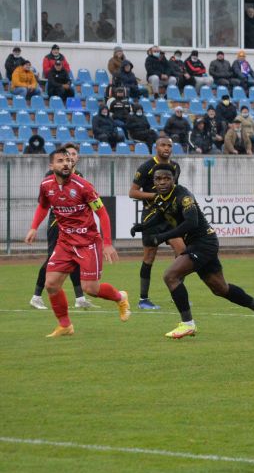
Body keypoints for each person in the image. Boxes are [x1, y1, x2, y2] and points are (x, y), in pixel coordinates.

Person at [133, 165, 254, 339]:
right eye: (158, 179)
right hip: (197, 244)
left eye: (166, 178)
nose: (162, 182)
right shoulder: (162, 198)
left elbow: (191, 222)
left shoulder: (184, 197)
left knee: (171, 276)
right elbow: (160, 215)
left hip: (203, 243)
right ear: (153, 182)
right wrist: (142, 226)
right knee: (220, 288)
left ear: (173, 179)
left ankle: (187, 324)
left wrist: (163, 237)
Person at [24, 147, 128, 337]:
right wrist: (33, 227)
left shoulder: (83, 186)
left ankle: (120, 297)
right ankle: (65, 325)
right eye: (60, 161)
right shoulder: (46, 185)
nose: (66, 163)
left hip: (88, 242)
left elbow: (102, 213)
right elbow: (43, 206)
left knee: (91, 289)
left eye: (68, 160)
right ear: (51, 165)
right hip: (65, 242)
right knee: (51, 284)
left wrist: (106, 243)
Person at [28, 143, 94, 311]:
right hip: (57, 222)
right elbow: (44, 204)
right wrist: (34, 227)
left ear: (77, 158)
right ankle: (36, 296)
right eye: (67, 155)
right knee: (52, 258)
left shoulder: (79, 177)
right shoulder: (52, 176)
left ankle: (79, 298)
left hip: (75, 225)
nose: (70, 158)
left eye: (73, 155)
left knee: (75, 259)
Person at [129, 137, 184, 311]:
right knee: (149, 257)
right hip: (152, 218)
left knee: (182, 251)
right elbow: (133, 192)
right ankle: (143, 299)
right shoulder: (146, 167)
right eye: (163, 145)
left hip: (169, 217)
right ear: (156, 148)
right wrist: (155, 197)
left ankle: (177, 294)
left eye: (169, 145)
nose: (166, 148)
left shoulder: (175, 167)